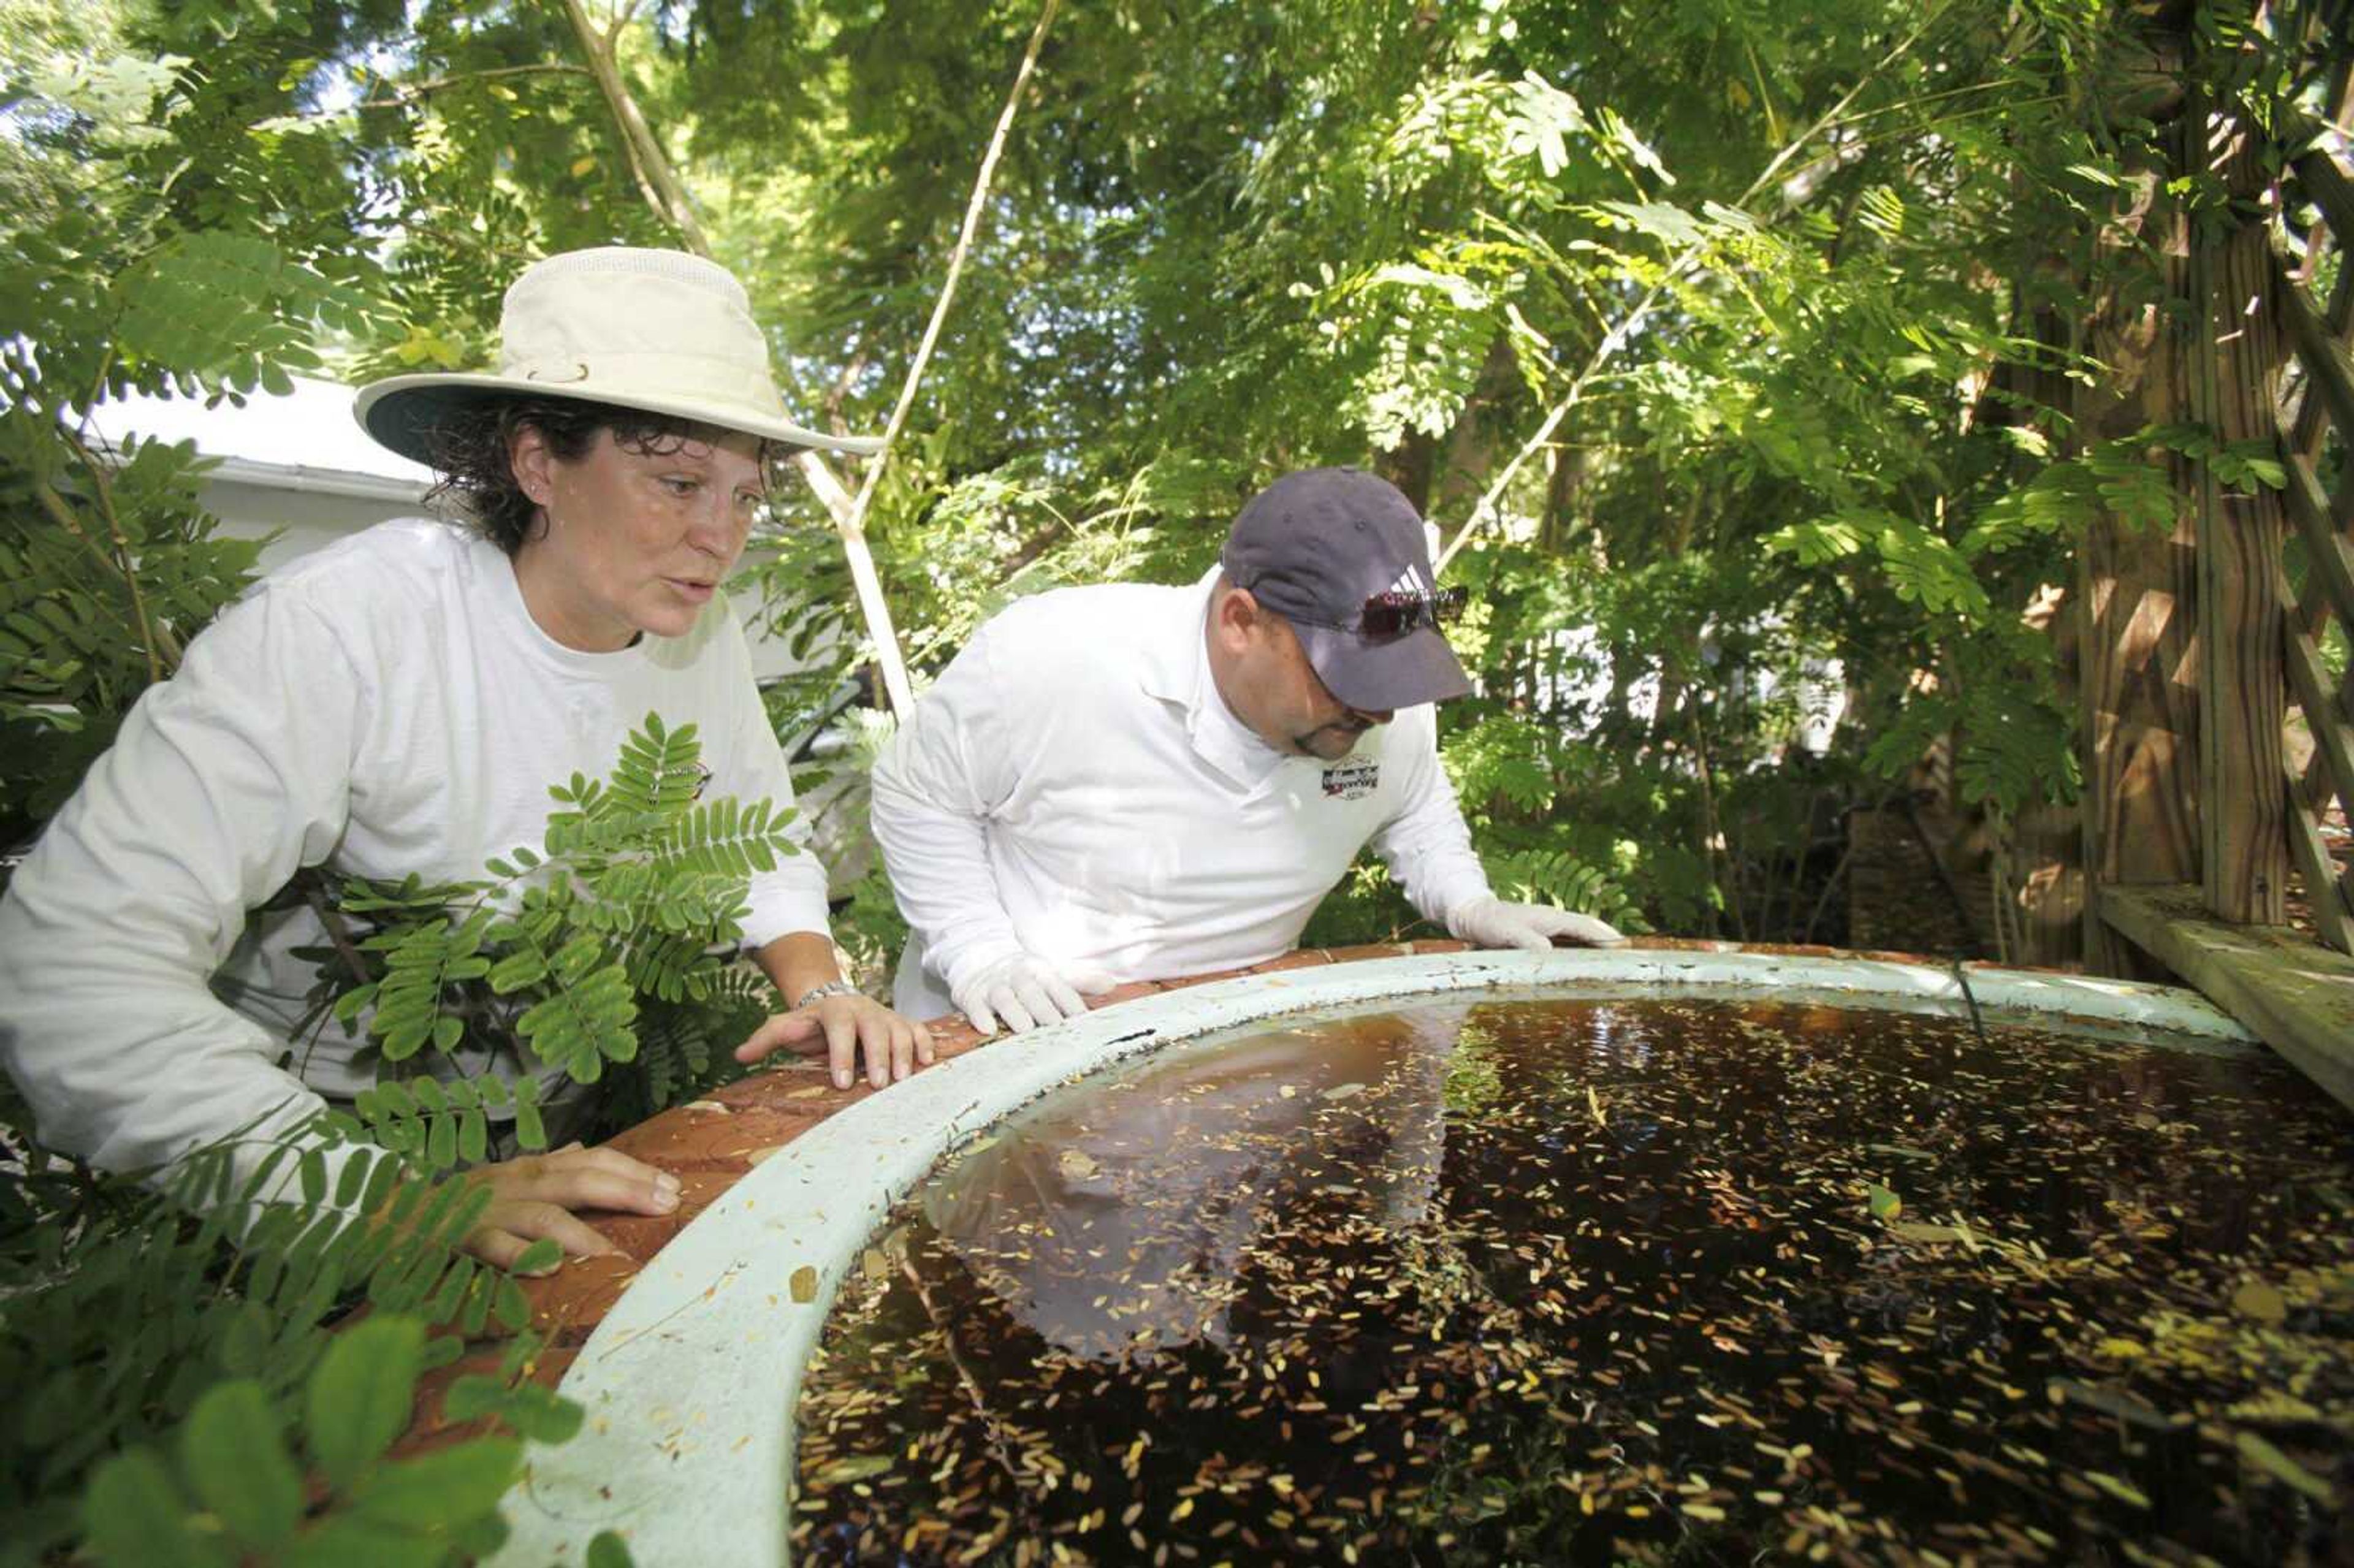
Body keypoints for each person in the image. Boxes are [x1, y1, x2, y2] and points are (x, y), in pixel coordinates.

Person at [0, 246, 931, 1270]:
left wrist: (817, 990)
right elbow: (71, 967)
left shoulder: (690, 635)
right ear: (539, 463)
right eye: (678, 481)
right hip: (321, 1178)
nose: (722, 537)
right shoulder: (350, 627)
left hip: (566, 1138)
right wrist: (380, 1203)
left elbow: (756, 838)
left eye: (748, 497)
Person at [869, 466, 1623, 1033]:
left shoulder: (1386, 712)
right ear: (1239, 621)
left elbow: (1415, 803)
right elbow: (916, 794)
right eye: (1346, 674)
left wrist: (1468, 901)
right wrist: (980, 954)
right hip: (1013, 1029)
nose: (1378, 708)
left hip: (1230, 1041)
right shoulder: (1051, 659)